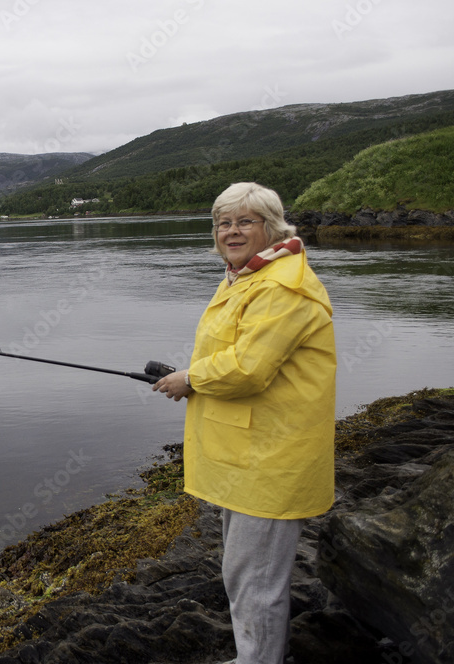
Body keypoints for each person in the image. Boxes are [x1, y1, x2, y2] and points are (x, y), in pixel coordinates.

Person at [152, 182, 336, 664]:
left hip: (273, 457)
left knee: (256, 580)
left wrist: (190, 378)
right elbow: (235, 355)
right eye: (223, 223)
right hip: (249, 455)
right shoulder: (246, 276)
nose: (231, 232)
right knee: (244, 573)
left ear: (272, 227)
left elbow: (249, 369)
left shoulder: (282, 287)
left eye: (244, 222)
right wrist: (192, 377)